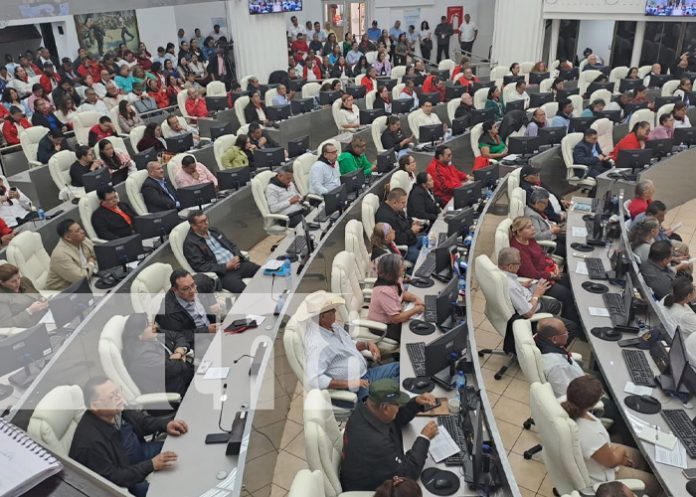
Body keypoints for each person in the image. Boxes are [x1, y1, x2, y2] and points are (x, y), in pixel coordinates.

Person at [69, 376, 188, 497]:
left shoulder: (113, 409)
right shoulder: (91, 443)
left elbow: (140, 420)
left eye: (118, 391)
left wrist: (165, 424)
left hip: (137, 453)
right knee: (166, 492)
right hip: (125, 476)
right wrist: (151, 465)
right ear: (95, 406)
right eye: (112, 396)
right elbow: (115, 478)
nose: (119, 397)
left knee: (181, 448)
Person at [561, 375, 662, 497]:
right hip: (605, 474)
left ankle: (639, 469)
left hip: (600, 455)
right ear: (593, 403)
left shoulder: (565, 407)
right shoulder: (589, 433)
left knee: (640, 456)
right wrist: (621, 452)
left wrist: (618, 454)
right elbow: (612, 462)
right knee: (656, 484)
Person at [340, 378, 438, 492]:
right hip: (366, 490)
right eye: (397, 404)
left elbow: (395, 418)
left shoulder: (364, 409)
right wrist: (424, 438)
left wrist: (415, 403)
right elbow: (408, 474)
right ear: (385, 408)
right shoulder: (377, 442)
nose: (399, 407)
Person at [301, 291, 399, 399]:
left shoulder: (332, 326)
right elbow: (314, 379)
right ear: (322, 317)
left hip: (365, 374)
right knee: (394, 391)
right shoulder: (317, 344)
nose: (335, 311)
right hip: (357, 386)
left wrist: (367, 344)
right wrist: (350, 383)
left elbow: (349, 344)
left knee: (399, 370)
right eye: (331, 310)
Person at [509, 216, 578, 323]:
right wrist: (551, 275)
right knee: (566, 294)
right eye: (528, 227)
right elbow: (532, 274)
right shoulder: (518, 250)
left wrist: (553, 264)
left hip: (546, 271)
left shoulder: (529, 239)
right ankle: (569, 324)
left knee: (571, 281)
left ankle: (574, 316)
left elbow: (542, 254)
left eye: (532, 225)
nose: (533, 229)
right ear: (519, 231)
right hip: (536, 281)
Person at [183, 211, 259, 293]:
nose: (207, 223)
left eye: (206, 219)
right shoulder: (190, 244)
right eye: (202, 222)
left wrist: (237, 256)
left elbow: (232, 245)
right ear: (193, 226)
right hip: (223, 274)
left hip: (238, 264)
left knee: (266, 272)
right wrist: (226, 266)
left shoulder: (213, 231)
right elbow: (201, 266)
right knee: (246, 292)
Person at [122, 313, 194, 398]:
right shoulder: (142, 356)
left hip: (184, 377)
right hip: (173, 393)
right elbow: (175, 368)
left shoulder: (152, 334)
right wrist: (181, 358)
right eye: (148, 326)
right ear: (139, 334)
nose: (154, 326)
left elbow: (178, 336)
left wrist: (180, 351)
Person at [156, 269, 219, 350]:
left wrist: (212, 302)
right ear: (175, 290)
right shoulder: (168, 311)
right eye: (186, 289)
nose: (192, 291)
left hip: (212, 325)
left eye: (193, 285)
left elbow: (206, 280)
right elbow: (178, 336)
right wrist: (206, 330)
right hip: (196, 340)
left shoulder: (196, 283)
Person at [367, 254, 424, 341]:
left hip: (393, 318)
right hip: (381, 327)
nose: (404, 267)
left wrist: (415, 298)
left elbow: (401, 294)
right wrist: (416, 310)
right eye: (401, 266)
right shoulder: (385, 291)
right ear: (393, 270)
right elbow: (395, 319)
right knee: (413, 334)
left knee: (418, 325)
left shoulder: (396, 279)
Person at [45, 219, 97, 291]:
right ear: (68, 237)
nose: (82, 231)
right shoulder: (60, 255)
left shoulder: (82, 240)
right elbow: (80, 278)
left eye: (80, 228)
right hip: (64, 291)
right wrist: (91, 262)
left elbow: (96, 253)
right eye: (77, 231)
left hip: (87, 281)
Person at [375, 188, 424, 264]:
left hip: (410, 239)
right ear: (394, 202)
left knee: (429, 239)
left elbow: (405, 219)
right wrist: (412, 231)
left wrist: (412, 222)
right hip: (404, 249)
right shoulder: (385, 218)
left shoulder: (395, 209)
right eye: (403, 203)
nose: (405, 206)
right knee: (424, 257)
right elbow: (397, 240)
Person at [0, 263, 48, 328]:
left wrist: (43, 300)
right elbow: (6, 323)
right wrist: (29, 311)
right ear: (2, 283)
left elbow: (39, 296)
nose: (18, 282)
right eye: (13, 281)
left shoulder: (24, 281)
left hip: (45, 316)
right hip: (28, 327)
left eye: (18, 278)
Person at [525, 189, 566, 256]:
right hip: (547, 244)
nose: (546, 206)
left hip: (552, 236)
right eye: (545, 203)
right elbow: (536, 236)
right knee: (567, 250)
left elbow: (545, 221)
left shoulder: (536, 209)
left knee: (569, 240)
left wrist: (552, 225)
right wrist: (552, 231)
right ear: (537, 202)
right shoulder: (531, 216)